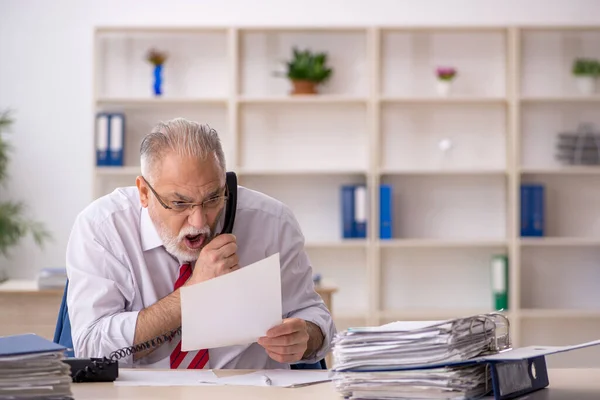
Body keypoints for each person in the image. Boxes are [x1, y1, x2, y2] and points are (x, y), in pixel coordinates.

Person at [65, 117, 336, 369]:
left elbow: (313, 314)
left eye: (212, 198)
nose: (198, 221)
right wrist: (194, 292)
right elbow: (91, 349)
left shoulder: (272, 221)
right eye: (180, 203)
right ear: (144, 193)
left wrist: (306, 336)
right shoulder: (102, 228)